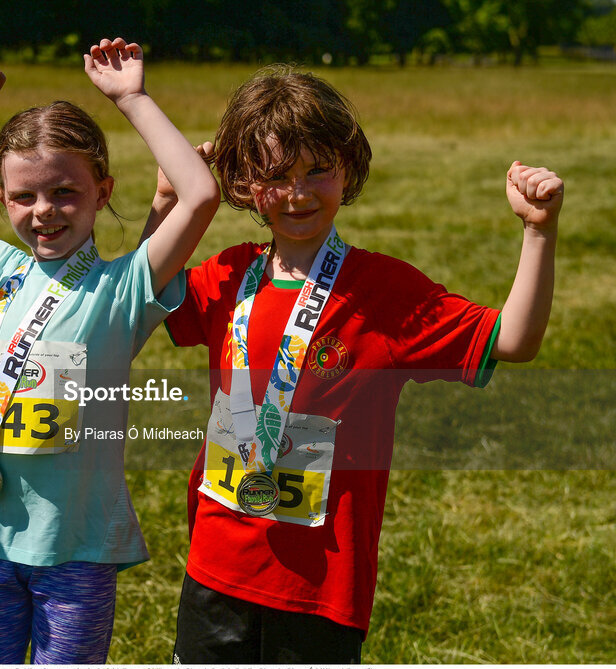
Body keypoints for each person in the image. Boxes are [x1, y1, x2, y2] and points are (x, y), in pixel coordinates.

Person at [143, 66, 563, 663]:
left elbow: (514, 339)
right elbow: (142, 300)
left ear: (348, 166)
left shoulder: (382, 292)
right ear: (242, 181)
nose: (299, 193)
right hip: (215, 570)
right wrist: (166, 201)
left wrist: (538, 232)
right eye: (275, 176)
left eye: (318, 169)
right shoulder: (229, 274)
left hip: (320, 589)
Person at [0, 38, 219, 663]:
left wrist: (133, 98)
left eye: (65, 192)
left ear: (102, 190)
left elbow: (200, 194)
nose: (44, 211)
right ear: (2, 198)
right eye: (24, 196)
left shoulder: (122, 286)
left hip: (77, 552)